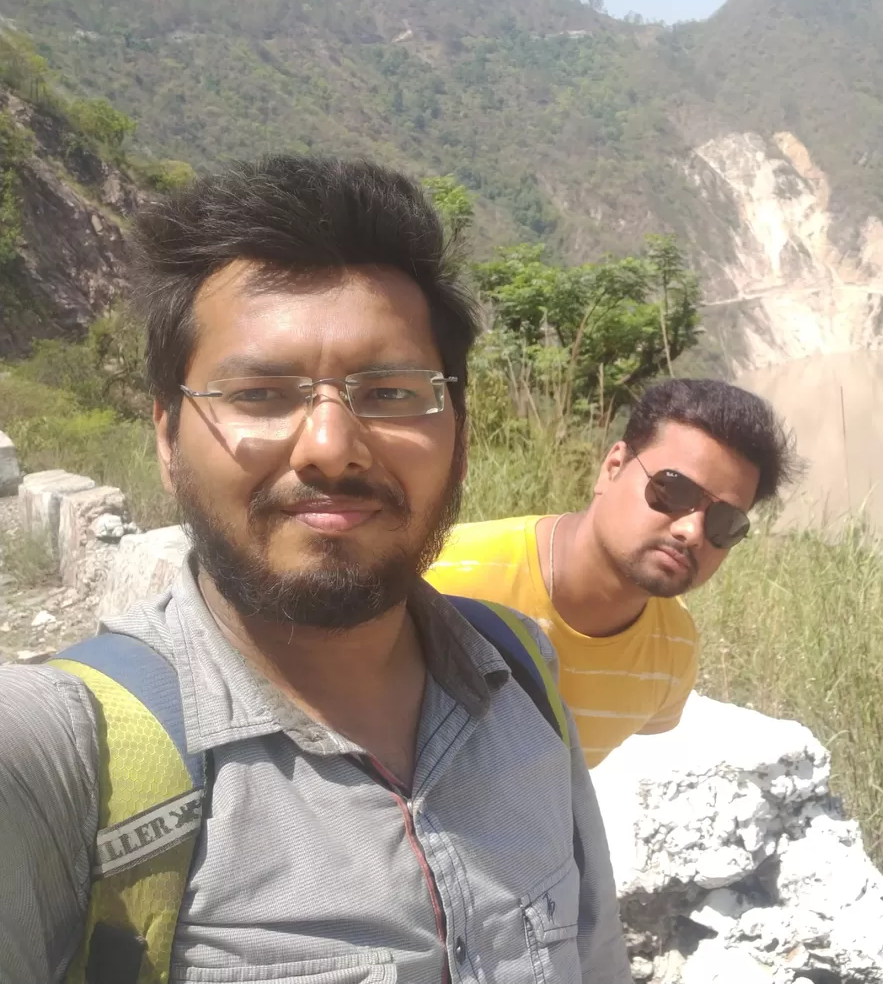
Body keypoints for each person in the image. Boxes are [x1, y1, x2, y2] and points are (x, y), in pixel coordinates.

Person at [0, 156, 630, 984]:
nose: (332, 447)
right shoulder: (59, 757)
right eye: (261, 394)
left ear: (462, 435)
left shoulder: (520, 673)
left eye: (393, 393)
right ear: (166, 438)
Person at [425, 377, 800, 768]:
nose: (691, 532)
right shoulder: (443, 575)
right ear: (613, 467)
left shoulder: (672, 654)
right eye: (674, 491)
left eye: (725, 522)